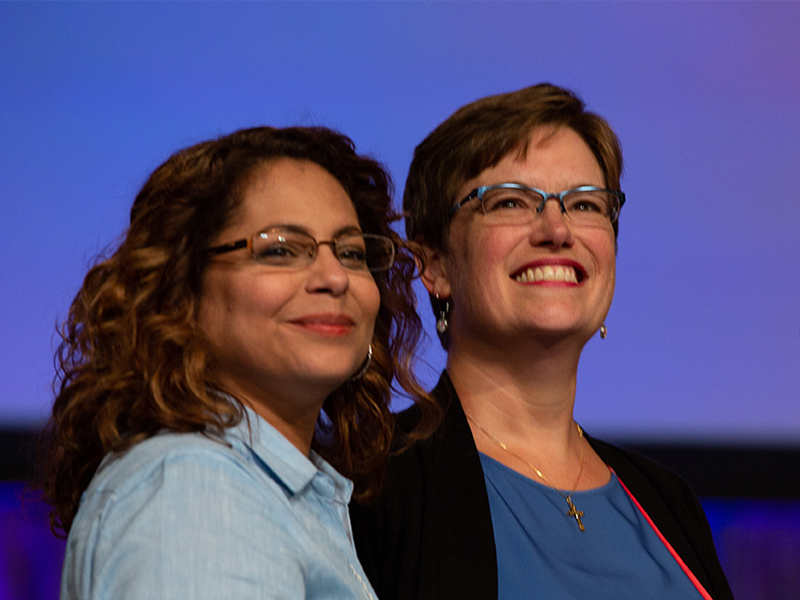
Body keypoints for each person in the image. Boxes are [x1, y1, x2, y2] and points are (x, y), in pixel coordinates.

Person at [350, 85, 734, 600]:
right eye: (510, 201)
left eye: (585, 204)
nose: (557, 229)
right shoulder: (375, 487)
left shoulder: (668, 501)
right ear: (435, 266)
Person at [38, 125, 439, 599]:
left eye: (352, 253)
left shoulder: (263, 487)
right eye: (281, 250)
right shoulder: (197, 490)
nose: (335, 277)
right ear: (180, 293)